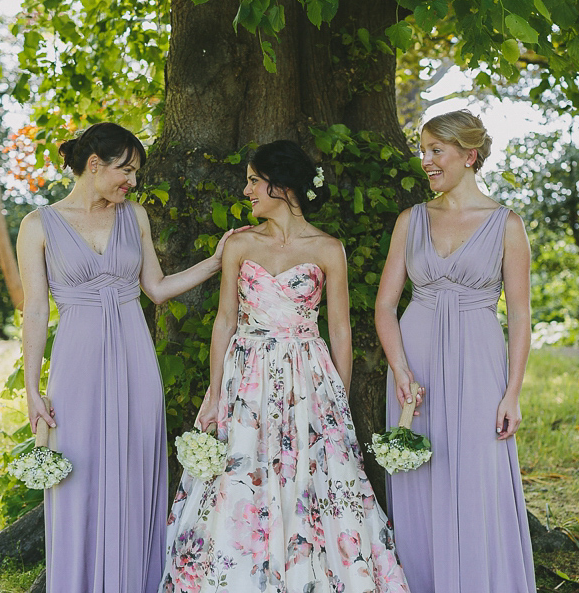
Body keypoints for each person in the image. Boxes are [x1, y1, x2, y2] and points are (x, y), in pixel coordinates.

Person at [161, 140, 410, 592]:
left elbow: (339, 330)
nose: (246, 190)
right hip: (248, 375)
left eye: (254, 180)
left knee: (312, 475)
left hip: (308, 374)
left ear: (281, 185)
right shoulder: (239, 244)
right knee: (242, 471)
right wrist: (215, 393)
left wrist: (339, 398)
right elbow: (224, 320)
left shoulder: (328, 248)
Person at [16, 122, 237, 593]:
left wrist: (216, 262)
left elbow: (155, 289)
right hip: (76, 362)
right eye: (127, 170)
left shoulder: (134, 217)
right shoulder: (37, 225)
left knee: (136, 467)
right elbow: (34, 311)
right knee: (76, 471)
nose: (132, 182)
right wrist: (32, 389)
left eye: (135, 173)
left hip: (135, 359)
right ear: (94, 165)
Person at [374, 110, 536, 593]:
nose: (426, 161)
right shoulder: (412, 220)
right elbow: (385, 306)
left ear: (469, 155)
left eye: (435, 151)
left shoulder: (507, 224)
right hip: (416, 361)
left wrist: (513, 393)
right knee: (420, 474)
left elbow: (523, 317)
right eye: (422, 151)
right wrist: (400, 370)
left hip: (479, 361)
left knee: (476, 477)